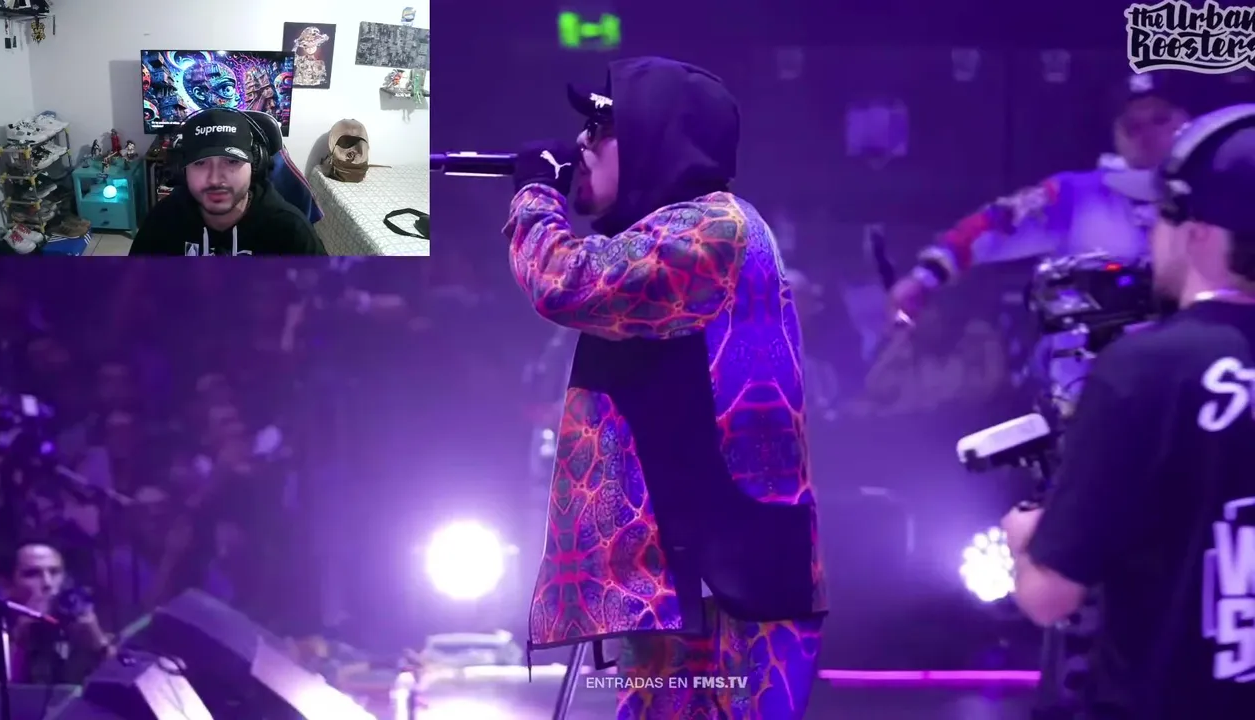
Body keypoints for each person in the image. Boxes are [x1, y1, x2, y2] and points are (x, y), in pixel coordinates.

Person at [504, 57, 826, 719]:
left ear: (656, 136)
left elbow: (568, 282)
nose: (582, 142)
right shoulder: (684, 229)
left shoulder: (711, 231)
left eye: (601, 126)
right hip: (697, 583)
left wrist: (536, 195)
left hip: (725, 592)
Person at [1001, 105, 1255, 720]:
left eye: (1159, 214)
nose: (1149, 233)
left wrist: (1026, 541)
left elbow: (1049, 596)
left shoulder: (1147, 369)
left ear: (1198, 233)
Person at [889, 72, 1191, 321]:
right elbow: (996, 223)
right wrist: (924, 278)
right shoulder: (1075, 195)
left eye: (1160, 120)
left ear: (1187, 121)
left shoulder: (1213, 190)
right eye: (1132, 126)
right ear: (1116, 135)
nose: (1146, 134)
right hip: (1094, 364)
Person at [129, 108, 327, 256]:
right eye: (200, 163)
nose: (215, 179)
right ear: (182, 170)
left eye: (232, 161)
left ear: (256, 164)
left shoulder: (291, 231)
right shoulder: (162, 222)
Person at [0, 539, 113, 684]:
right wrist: (20, 641)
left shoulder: (83, 622)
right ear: (7, 585)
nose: (47, 583)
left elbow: (126, 683)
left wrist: (99, 643)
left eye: (54, 572)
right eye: (32, 574)